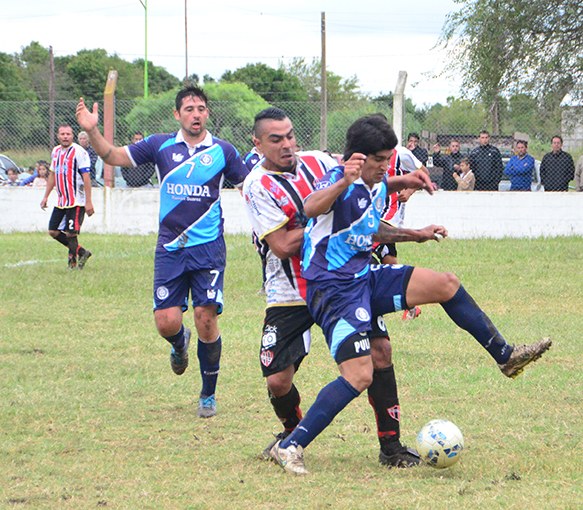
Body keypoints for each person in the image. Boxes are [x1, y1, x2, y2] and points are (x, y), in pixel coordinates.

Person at [269, 114, 552, 475]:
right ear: (356, 158)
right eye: (380, 160)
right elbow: (311, 207)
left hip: (363, 277)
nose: (386, 167)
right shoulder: (338, 181)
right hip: (332, 289)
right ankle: (291, 444)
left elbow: (370, 226)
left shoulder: (372, 181)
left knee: (444, 284)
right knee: (359, 375)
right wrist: (344, 179)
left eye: (390, 159)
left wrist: (412, 217)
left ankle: (505, 356)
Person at [244, 107, 447, 470]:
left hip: (346, 281)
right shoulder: (257, 186)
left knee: (380, 352)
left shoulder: (320, 161)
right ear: (258, 144)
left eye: (290, 135)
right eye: (276, 139)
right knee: (277, 380)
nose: (287, 144)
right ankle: (292, 433)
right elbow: (282, 245)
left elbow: (365, 186)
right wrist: (338, 226)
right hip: (290, 289)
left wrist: (397, 186)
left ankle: (392, 448)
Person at [76, 86, 249, 418]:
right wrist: (92, 130)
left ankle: (208, 394)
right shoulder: (160, 146)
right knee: (166, 323)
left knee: (206, 320)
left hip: (208, 249)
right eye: (189, 109)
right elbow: (112, 156)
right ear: (177, 114)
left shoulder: (223, 151)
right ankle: (179, 343)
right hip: (170, 248)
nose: (195, 114)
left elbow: (250, 187)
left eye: (201, 108)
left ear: (207, 113)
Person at [40, 125, 94, 270]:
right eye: (62, 134)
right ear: (58, 136)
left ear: (72, 136)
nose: (65, 136)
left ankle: (73, 264)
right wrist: (46, 196)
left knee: (71, 233)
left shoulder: (79, 152)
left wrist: (88, 202)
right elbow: (53, 174)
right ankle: (82, 252)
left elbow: (86, 177)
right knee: (53, 230)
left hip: (76, 201)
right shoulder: (56, 151)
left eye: (68, 134)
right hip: (62, 200)